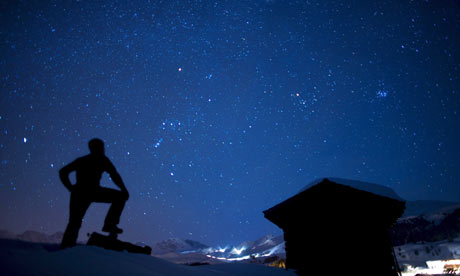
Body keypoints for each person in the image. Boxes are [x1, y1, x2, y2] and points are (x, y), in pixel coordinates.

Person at [60, 138, 129, 248]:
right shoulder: (102, 160)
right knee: (75, 222)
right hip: (89, 191)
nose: (103, 150)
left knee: (74, 222)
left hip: (81, 192)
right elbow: (114, 175)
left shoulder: (83, 160)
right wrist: (124, 190)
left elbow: (63, 172)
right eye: (102, 147)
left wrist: (70, 187)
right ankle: (110, 224)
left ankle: (66, 247)